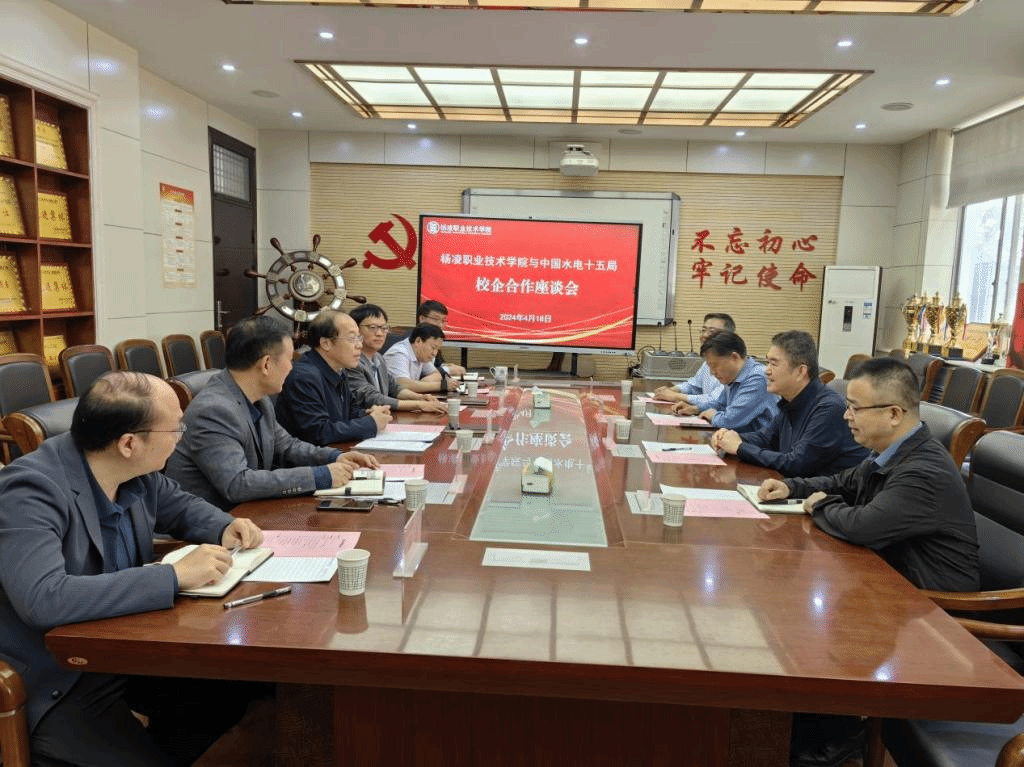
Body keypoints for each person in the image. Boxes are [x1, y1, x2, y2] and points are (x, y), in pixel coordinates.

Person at [0, 371, 266, 766]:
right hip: (60, 675)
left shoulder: (135, 473)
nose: (181, 437)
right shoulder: (30, 490)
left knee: (235, 691)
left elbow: (181, 506)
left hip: (126, 651)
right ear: (129, 443)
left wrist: (225, 526)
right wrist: (172, 576)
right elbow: (44, 598)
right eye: (175, 428)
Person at [758, 356, 979, 592]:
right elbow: (840, 483)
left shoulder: (924, 472)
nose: (846, 416)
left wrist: (820, 505)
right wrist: (791, 487)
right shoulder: (890, 451)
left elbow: (863, 526)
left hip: (931, 602)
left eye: (855, 408)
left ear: (894, 414)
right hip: (889, 581)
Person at [165, 316, 378, 511]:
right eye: (289, 359)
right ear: (266, 364)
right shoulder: (214, 410)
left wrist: (335, 456)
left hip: (249, 513)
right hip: (212, 525)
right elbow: (237, 483)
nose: (292, 367)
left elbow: (286, 445)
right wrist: (319, 476)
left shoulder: (259, 397)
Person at [710, 330, 869, 477]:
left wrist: (740, 447)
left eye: (774, 364)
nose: (767, 370)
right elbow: (766, 439)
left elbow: (797, 464)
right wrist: (730, 437)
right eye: (767, 363)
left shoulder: (829, 408)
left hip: (825, 495)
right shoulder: (790, 401)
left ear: (800, 371)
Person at [275, 310, 392, 445]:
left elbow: (349, 413)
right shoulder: (304, 377)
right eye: (352, 338)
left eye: (359, 338)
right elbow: (318, 432)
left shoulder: (338, 369)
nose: (359, 345)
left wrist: (369, 414)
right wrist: (371, 423)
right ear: (326, 343)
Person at [346, 303, 447, 415]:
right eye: (373, 328)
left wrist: (420, 397)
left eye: (384, 328)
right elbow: (371, 398)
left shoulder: (378, 358)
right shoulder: (351, 361)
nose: (380, 333)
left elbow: (394, 388)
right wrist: (419, 404)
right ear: (356, 330)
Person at [672, 330, 778, 433]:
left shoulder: (757, 378)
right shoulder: (735, 376)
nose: (712, 372)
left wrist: (713, 415)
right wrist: (696, 409)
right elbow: (721, 404)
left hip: (758, 442)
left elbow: (730, 421)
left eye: (715, 365)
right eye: (709, 366)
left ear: (734, 357)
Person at [653, 313, 733, 406]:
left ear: (728, 336)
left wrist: (676, 396)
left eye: (711, 332)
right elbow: (694, 386)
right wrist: (673, 390)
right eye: (703, 330)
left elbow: (716, 400)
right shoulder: (709, 360)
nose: (704, 335)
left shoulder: (732, 363)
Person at [382, 300, 466, 377]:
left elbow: (433, 371)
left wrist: (446, 367)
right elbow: (406, 383)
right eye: (436, 319)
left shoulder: (432, 340)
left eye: (443, 321)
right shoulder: (408, 345)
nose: (440, 325)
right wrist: (447, 370)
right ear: (421, 318)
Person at [383, 322, 458, 395]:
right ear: (418, 341)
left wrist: (421, 384)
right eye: (433, 348)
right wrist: (442, 386)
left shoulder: (421, 354)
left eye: (437, 349)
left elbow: (436, 374)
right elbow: (402, 384)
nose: (434, 353)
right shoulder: (399, 353)